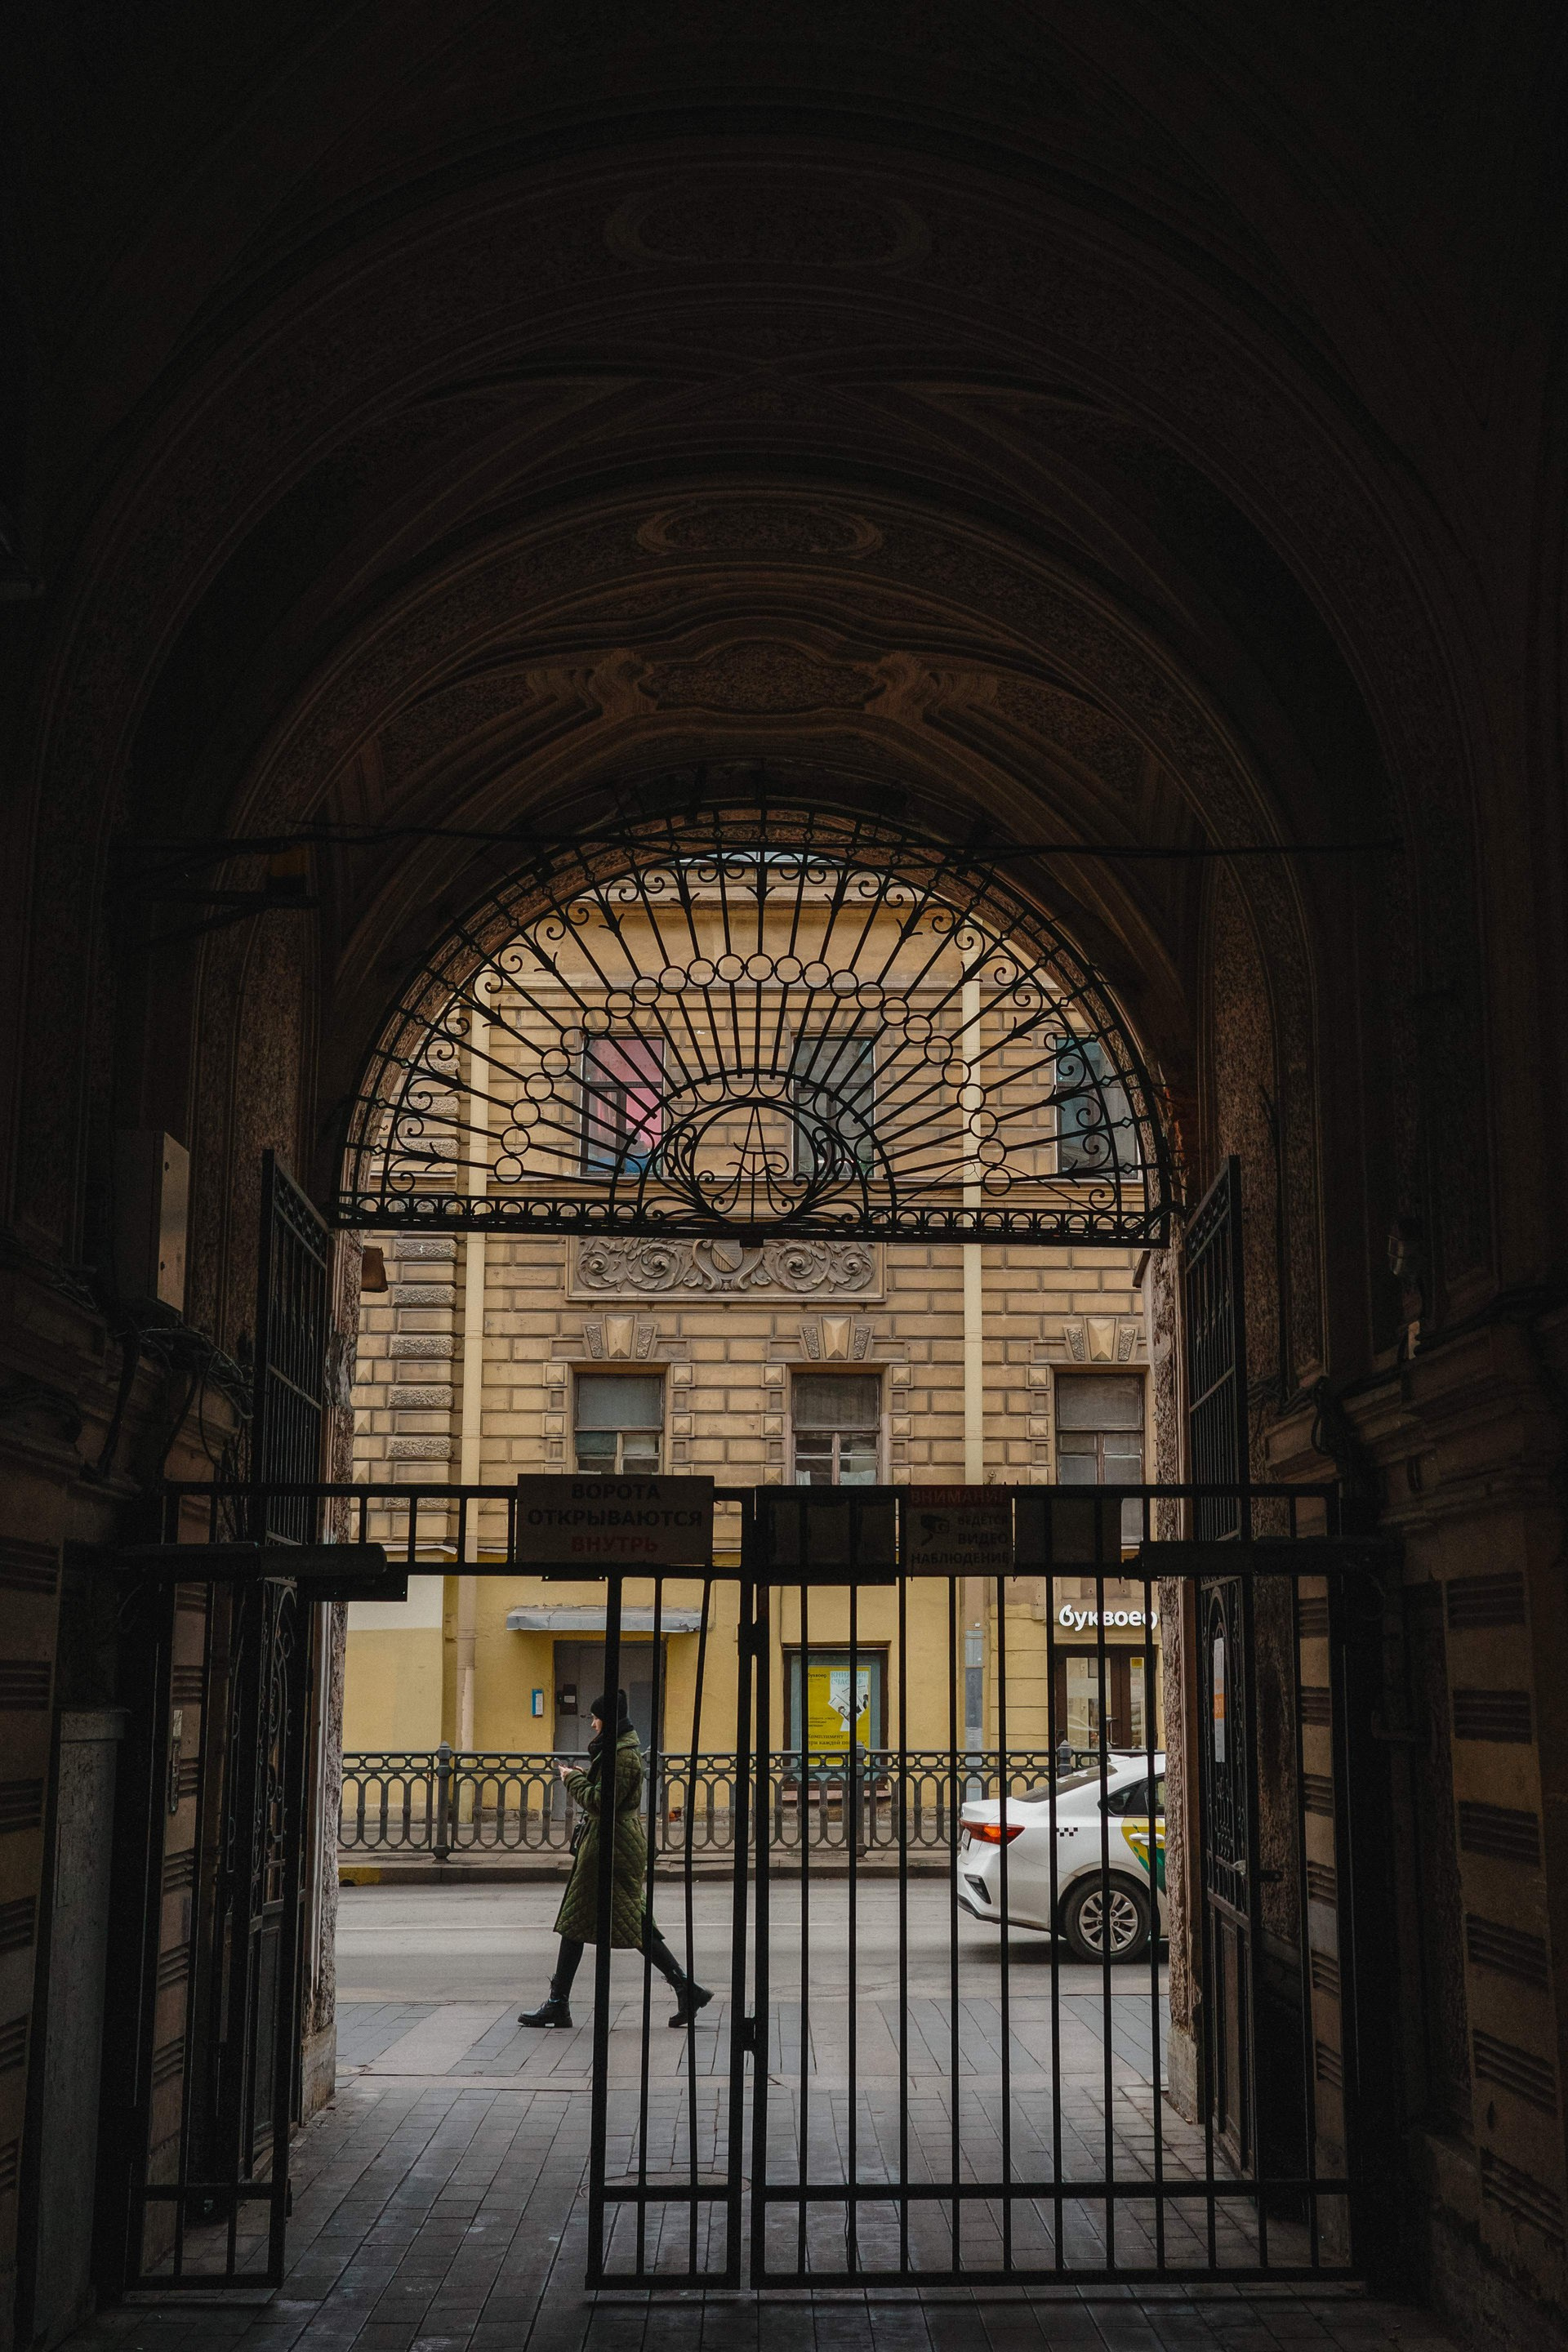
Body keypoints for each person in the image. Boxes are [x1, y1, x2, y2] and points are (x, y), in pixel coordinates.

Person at [519, 1690, 712, 2030]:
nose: (592, 1724)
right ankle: (685, 1988)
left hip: (612, 1847)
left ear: (608, 1720)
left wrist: (572, 1779)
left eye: (596, 1718)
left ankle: (559, 2004)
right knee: (611, 1921)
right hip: (610, 1844)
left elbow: (601, 1802)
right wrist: (584, 1776)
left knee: (585, 1921)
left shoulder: (622, 1755)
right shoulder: (616, 1750)